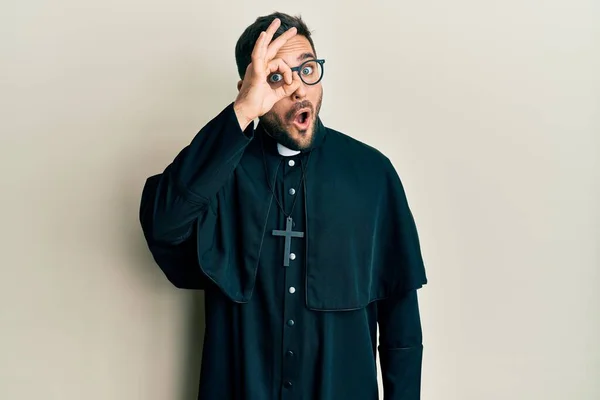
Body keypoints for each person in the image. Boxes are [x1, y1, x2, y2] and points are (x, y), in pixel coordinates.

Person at [139, 12, 428, 400]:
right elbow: (164, 223)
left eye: (308, 69)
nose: (299, 90)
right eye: (276, 77)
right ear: (248, 88)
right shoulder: (218, 172)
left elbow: (401, 321)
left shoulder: (373, 174)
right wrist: (241, 113)